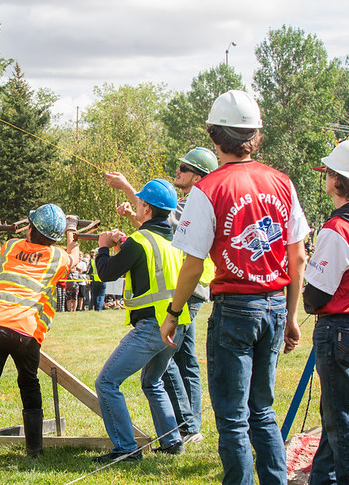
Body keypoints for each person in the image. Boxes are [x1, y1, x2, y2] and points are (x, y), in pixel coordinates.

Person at [160, 90, 308, 484]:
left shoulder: (208, 189)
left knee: (232, 417)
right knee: (263, 411)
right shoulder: (282, 183)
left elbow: (193, 267)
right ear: (255, 137)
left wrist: (173, 314)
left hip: (235, 310)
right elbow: (298, 259)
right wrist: (291, 316)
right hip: (275, 306)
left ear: (213, 137)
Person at [105, 147, 220, 444]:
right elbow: (157, 234)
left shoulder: (198, 203)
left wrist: (128, 191)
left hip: (185, 295)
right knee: (162, 371)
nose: (178, 170)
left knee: (173, 363)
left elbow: (161, 226)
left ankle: (184, 428)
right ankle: (176, 436)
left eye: (184, 168)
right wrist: (135, 220)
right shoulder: (188, 204)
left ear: (198, 176)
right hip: (179, 296)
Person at [0, 204, 79, 467]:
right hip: (27, 332)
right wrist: (72, 231)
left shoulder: (12, 246)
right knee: (29, 384)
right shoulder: (57, 257)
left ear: (31, 228)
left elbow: (22, 233)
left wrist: (27, 224)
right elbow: (75, 257)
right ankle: (34, 449)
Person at [93, 179, 190, 462]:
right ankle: (172, 441)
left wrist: (102, 247)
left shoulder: (139, 241)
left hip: (152, 326)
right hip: (176, 325)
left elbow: (107, 273)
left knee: (107, 383)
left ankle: (125, 448)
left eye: (139, 202)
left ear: (146, 208)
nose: (135, 205)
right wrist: (123, 242)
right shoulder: (169, 240)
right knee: (152, 382)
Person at [302, 139, 349, 484]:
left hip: (338, 328)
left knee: (339, 417)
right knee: (337, 410)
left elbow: (316, 295)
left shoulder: (337, 230)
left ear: (337, 180)